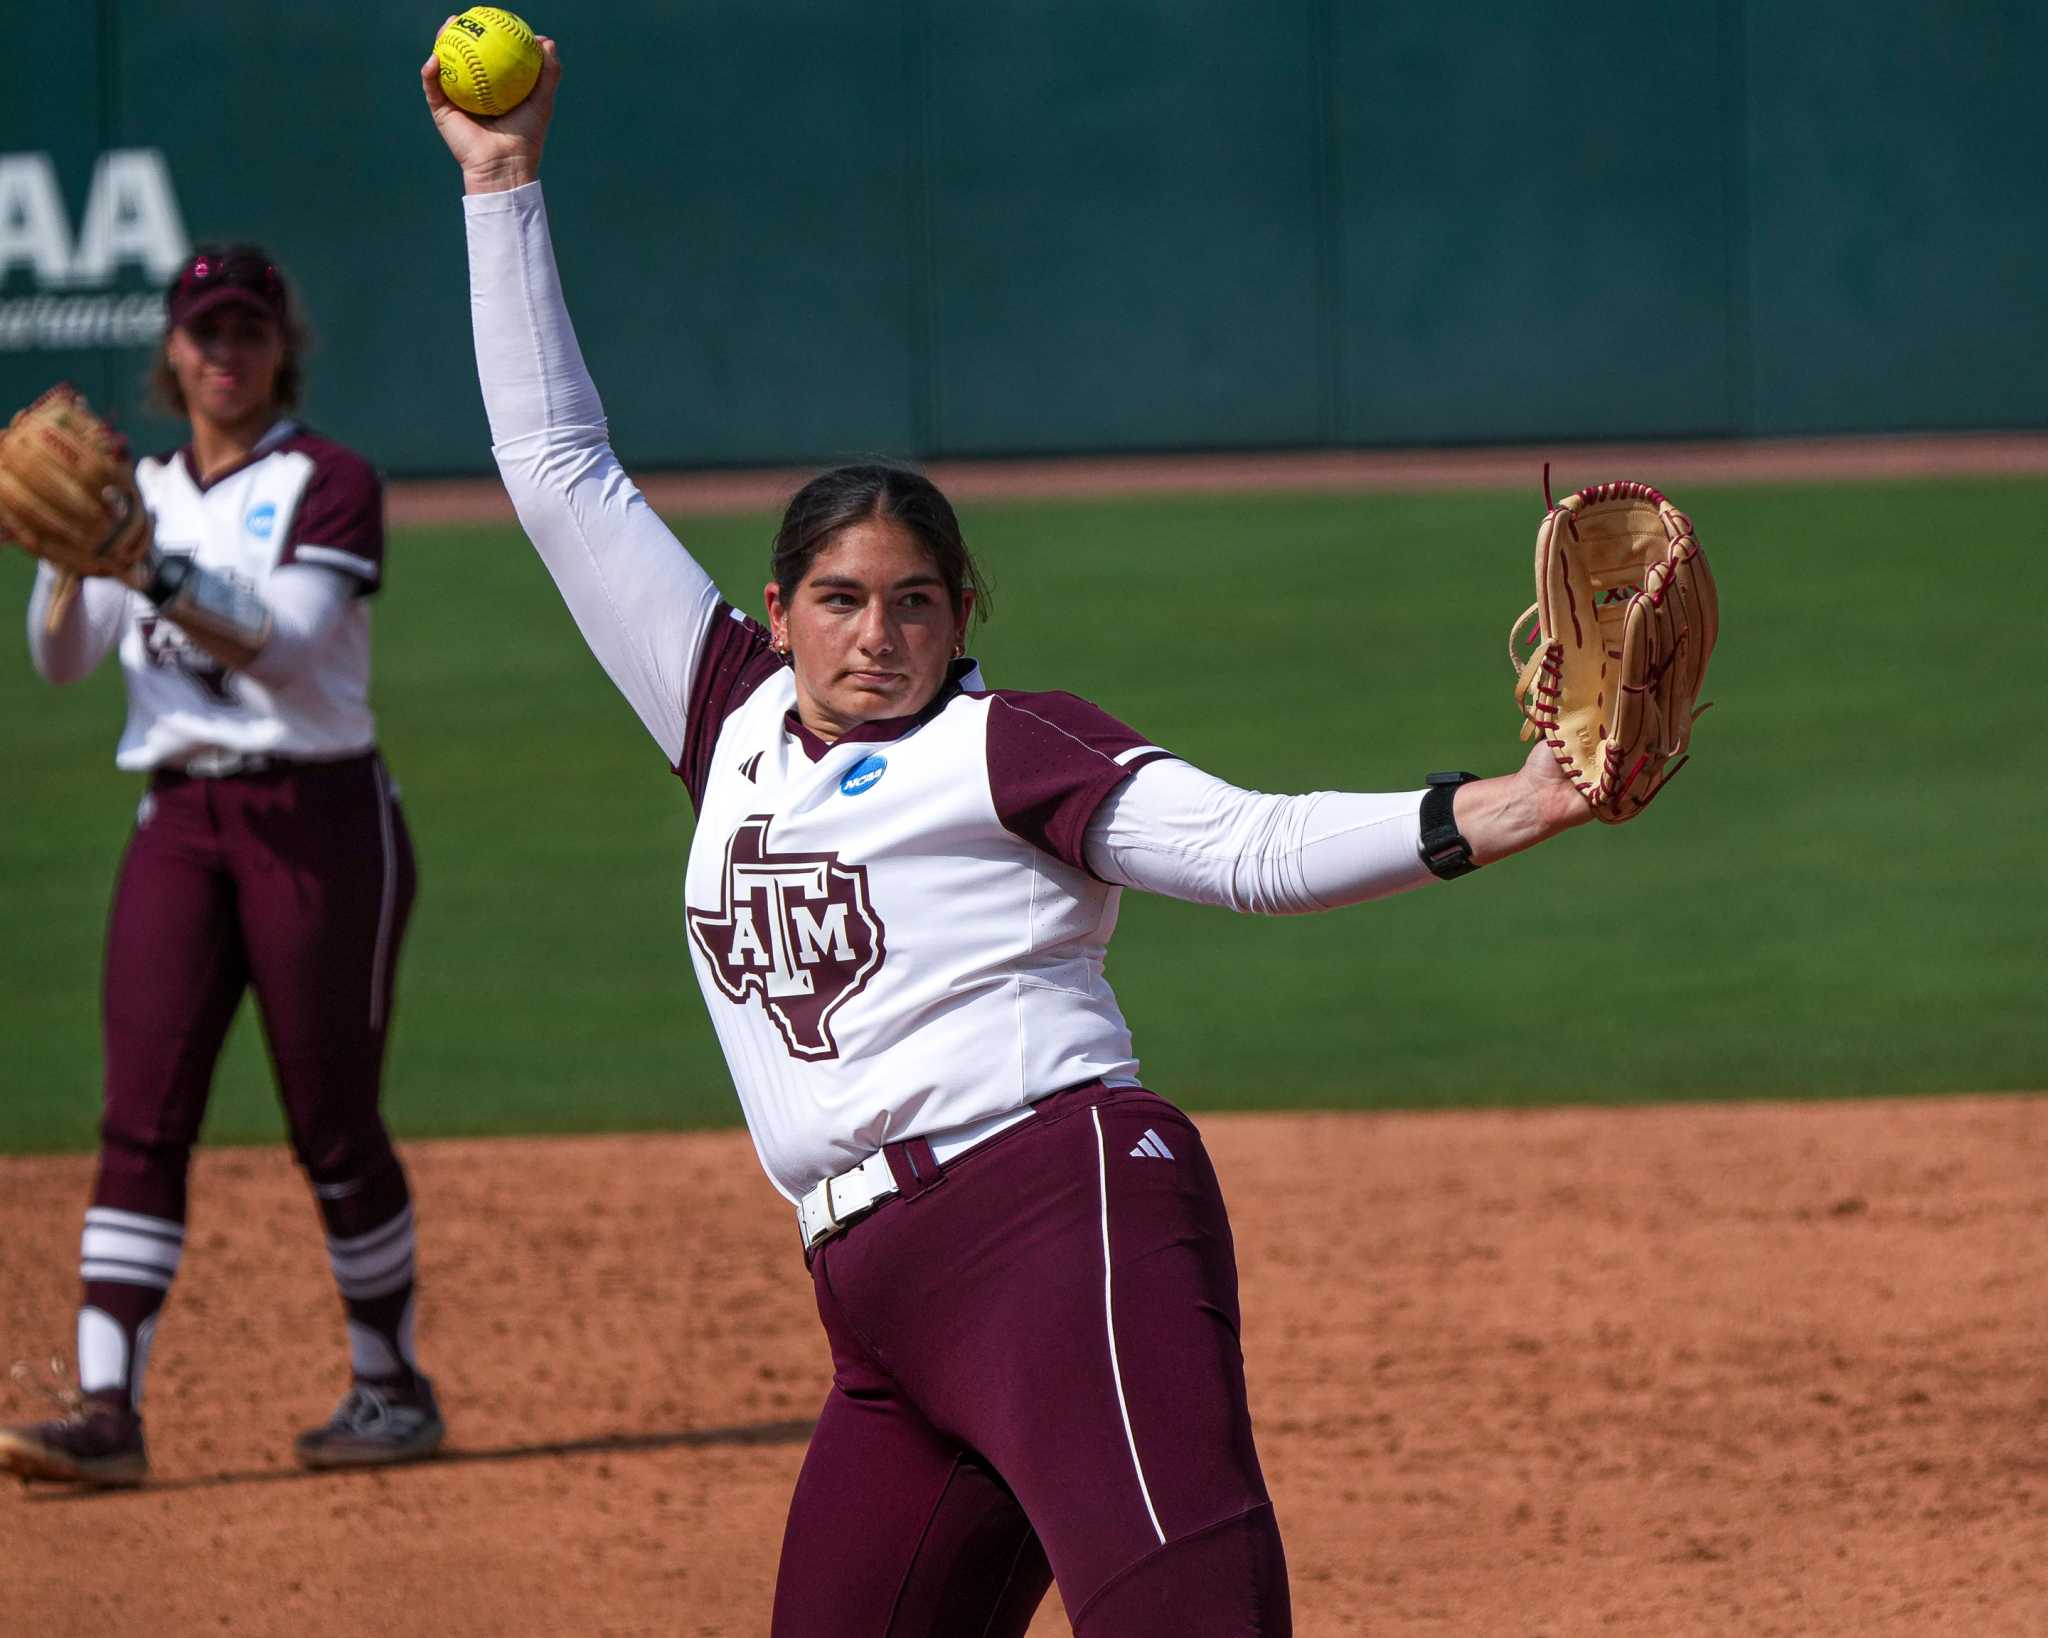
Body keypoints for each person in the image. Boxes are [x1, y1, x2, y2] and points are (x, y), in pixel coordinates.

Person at [424, 42, 1593, 1637]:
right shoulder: (726, 718)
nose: (877, 633)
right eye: (839, 599)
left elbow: (1245, 848)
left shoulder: (1004, 741)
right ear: (779, 614)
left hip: (1059, 1220)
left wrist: (1504, 804)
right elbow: (559, 474)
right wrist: (501, 185)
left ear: (964, 613)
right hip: (876, 1316)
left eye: (916, 601)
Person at [0, 245, 442, 1486]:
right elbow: (64, 664)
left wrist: (141, 560)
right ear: (173, 352)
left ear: (278, 346)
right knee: (139, 1116)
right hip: (180, 826)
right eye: (205, 331)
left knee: (331, 1121)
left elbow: (289, 649)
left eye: (246, 330)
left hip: (320, 821)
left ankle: (390, 1386)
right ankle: (106, 1410)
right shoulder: (130, 488)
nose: (225, 353)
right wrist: (61, 558)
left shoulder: (329, 481)